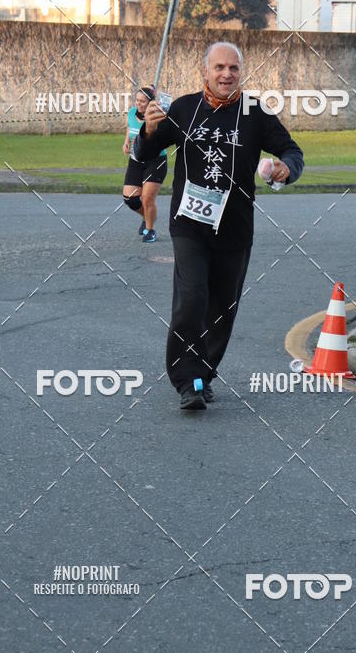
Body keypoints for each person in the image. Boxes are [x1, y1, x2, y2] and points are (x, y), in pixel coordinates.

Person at [136, 41, 304, 410]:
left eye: (234, 68)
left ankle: (203, 374)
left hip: (235, 228)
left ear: (240, 73)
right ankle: (187, 380)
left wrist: (286, 168)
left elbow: (292, 151)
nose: (227, 74)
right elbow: (145, 153)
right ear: (205, 71)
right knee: (192, 298)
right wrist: (147, 132)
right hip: (190, 223)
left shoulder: (255, 112)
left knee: (223, 309)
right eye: (219, 68)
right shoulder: (183, 108)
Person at [122, 85, 167, 243]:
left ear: (150, 103)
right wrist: (126, 142)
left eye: (142, 101)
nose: (138, 104)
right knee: (130, 199)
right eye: (137, 100)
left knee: (147, 198)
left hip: (155, 161)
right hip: (136, 160)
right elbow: (129, 127)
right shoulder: (132, 113)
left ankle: (151, 230)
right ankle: (147, 216)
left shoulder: (157, 116)